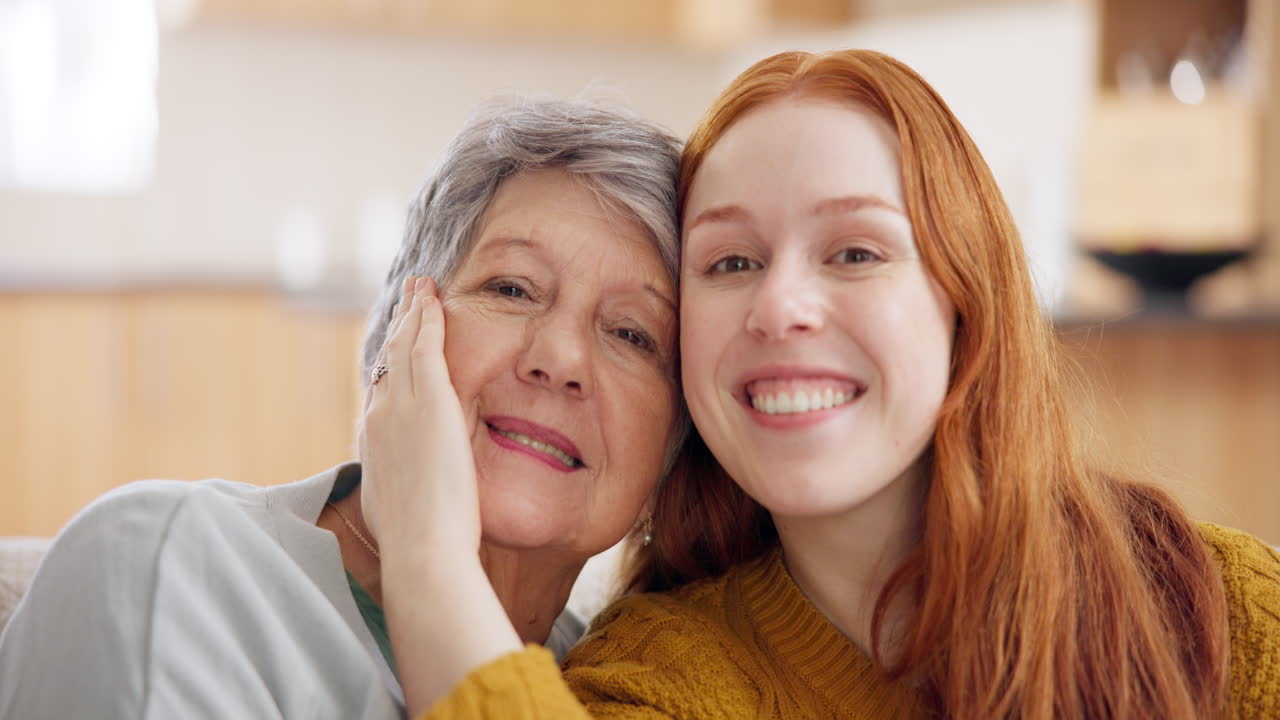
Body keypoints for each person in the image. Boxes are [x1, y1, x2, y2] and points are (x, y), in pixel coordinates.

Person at [368, 51, 1280, 719]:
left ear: (966, 306)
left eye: (855, 251)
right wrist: (430, 559)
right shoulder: (662, 678)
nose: (782, 306)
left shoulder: (1212, 608)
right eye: (730, 260)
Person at [0, 97, 686, 719]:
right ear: (399, 325)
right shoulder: (175, 568)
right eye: (512, 288)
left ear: (678, 443)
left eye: (632, 334)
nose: (560, 359)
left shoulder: (625, 685)